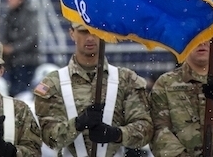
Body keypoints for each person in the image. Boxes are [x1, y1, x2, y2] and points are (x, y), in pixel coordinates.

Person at [34, 23, 153, 157]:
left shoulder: (126, 80)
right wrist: (78, 124)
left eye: (95, 32)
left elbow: (145, 130)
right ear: (72, 33)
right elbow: (50, 138)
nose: (90, 38)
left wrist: (116, 134)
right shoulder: (54, 83)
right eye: (84, 32)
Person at [1, 0, 40, 96]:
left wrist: (12, 48)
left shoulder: (29, 14)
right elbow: (4, 34)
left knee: (23, 94)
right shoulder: (9, 15)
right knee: (14, 93)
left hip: (26, 62)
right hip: (13, 62)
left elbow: (31, 38)